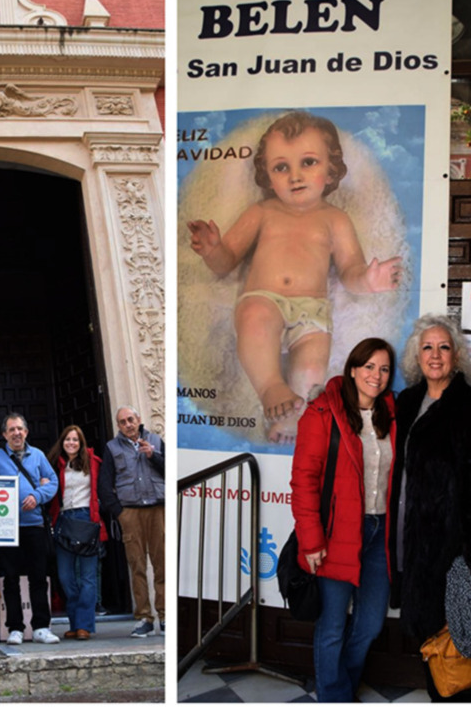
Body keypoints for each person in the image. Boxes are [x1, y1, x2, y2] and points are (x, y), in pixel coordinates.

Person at [188, 110, 402, 442]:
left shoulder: (335, 219)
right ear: (267, 175)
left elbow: (349, 270)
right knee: (255, 323)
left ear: (331, 169)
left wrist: (368, 281)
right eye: (281, 167)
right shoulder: (262, 211)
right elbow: (226, 262)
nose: (295, 176)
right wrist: (213, 250)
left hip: (313, 311)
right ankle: (270, 388)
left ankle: (291, 420)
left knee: (312, 370)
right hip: (264, 299)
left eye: (308, 162)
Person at [291, 337, 396, 702]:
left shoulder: (391, 414)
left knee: (370, 624)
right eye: (369, 366)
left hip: (379, 533)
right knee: (332, 625)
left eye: (384, 369)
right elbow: (304, 481)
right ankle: (335, 699)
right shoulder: (322, 413)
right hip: (336, 533)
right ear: (352, 369)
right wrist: (311, 540)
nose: (376, 375)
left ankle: (342, 689)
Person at [388, 313, 471, 702]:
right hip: (409, 541)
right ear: (416, 355)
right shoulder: (407, 402)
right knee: (429, 637)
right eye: (427, 347)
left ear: (456, 355)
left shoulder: (467, 406)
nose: (435, 355)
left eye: (443, 347)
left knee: (455, 640)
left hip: (451, 550)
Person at [0, 412, 60, 645]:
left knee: (38, 577)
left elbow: (53, 482)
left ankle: (41, 627)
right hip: (6, 529)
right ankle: (15, 628)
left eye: (20, 429)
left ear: (26, 432)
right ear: (4, 434)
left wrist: (37, 495)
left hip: (34, 525)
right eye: (11, 430)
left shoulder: (37, 455)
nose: (16, 433)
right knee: (10, 579)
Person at [98, 406, 165, 637]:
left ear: (138, 419)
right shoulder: (112, 447)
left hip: (158, 509)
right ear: (118, 426)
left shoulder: (155, 440)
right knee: (137, 566)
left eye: (130, 419)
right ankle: (144, 617)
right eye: (123, 422)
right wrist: (120, 513)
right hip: (131, 512)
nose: (128, 424)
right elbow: (104, 485)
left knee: (163, 565)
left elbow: (171, 471)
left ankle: (165, 616)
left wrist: (153, 456)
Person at [47, 424, 107, 641]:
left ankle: (84, 625)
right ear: (62, 442)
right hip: (63, 519)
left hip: (86, 518)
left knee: (88, 577)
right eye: (67, 439)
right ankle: (75, 622)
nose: (71, 443)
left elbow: (104, 489)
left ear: (81, 443)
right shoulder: (54, 464)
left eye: (75, 440)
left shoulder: (93, 462)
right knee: (65, 576)